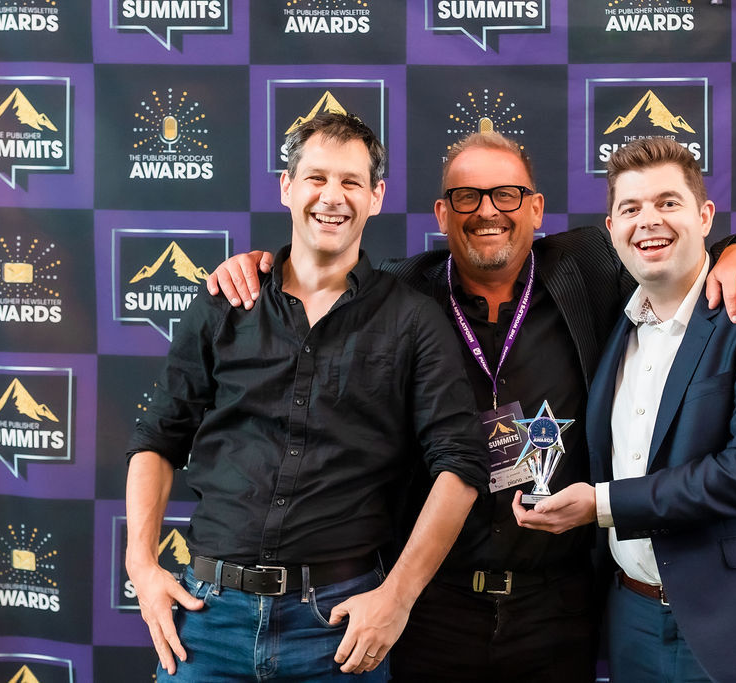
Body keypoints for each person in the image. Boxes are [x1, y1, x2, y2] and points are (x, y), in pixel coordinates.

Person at [207, 132, 736, 682]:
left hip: (558, 607)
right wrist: (259, 267)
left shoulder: (589, 266)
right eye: (467, 196)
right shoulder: (399, 295)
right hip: (431, 608)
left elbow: (672, 247)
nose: (488, 210)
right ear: (442, 215)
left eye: (506, 194)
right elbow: (318, 277)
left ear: (536, 208)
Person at [125, 112, 489, 682]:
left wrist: (397, 598)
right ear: (287, 187)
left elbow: (461, 464)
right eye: (316, 177)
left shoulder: (413, 320)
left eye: (351, 182)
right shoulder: (225, 302)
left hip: (339, 627)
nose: (332, 197)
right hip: (206, 622)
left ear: (376, 197)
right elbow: (157, 438)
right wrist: (141, 564)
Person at [513, 137, 736, 683]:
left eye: (668, 203)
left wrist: (600, 504)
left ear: (705, 216)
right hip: (631, 617)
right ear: (611, 228)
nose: (648, 220)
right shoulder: (614, 322)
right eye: (631, 208)